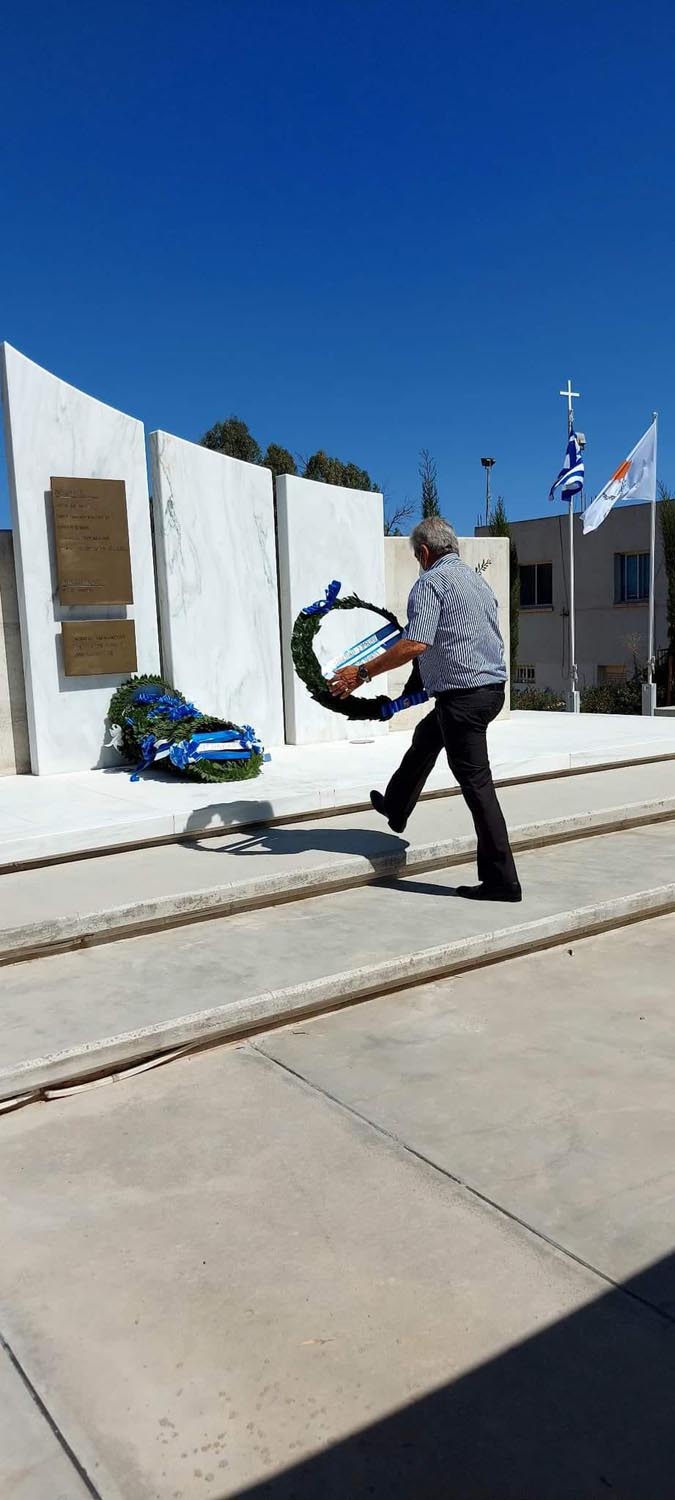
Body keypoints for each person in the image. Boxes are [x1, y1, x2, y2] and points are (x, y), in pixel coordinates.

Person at [329, 516, 521, 902]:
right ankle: (396, 806)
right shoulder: (475, 582)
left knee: (477, 785)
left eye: (417, 556)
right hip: (489, 691)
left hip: (463, 698)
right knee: (427, 736)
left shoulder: (430, 583)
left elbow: (416, 643)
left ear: (424, 552)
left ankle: (503, 881)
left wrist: (361, 673)